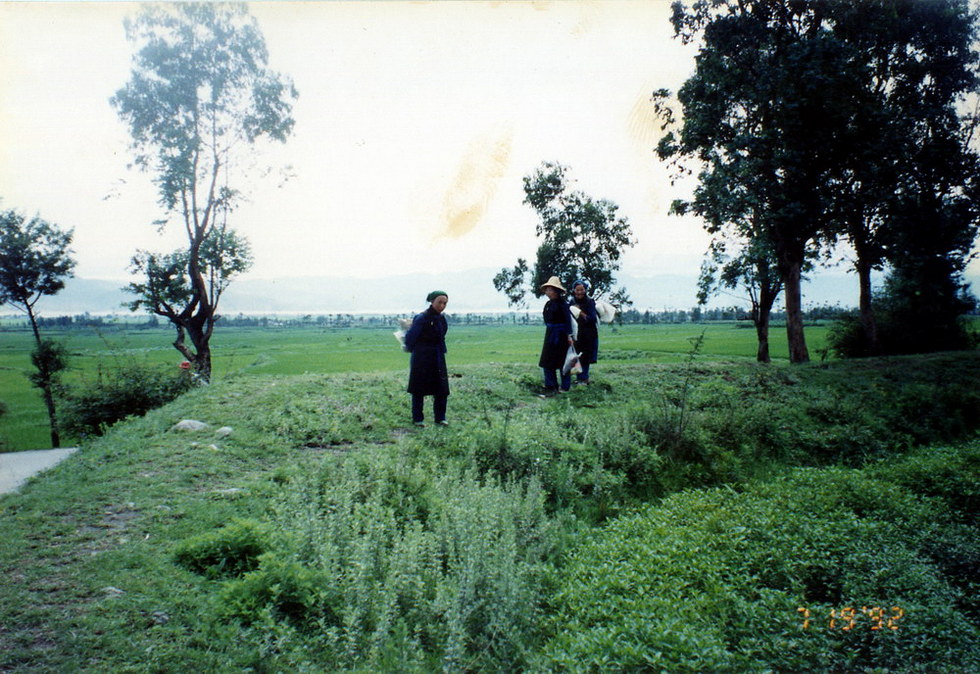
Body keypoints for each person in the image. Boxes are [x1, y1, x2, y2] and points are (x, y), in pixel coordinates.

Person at [404, 291, 450, 426]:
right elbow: (411, 337)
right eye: (439, 302)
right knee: (419, 388)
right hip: (421, 357)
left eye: (445, 303)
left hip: (437, 356)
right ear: (432, 302)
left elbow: (443, 334)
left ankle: (440, 418)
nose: (442, 305)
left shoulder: (442, 319)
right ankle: (418, 419)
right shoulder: (421, 318)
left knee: (441, 389)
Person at [537, 276, 575, 397]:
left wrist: (569, 336)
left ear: (556, 291)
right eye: (547, 289)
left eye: (550, 289)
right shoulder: (548, 304)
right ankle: (551, 385)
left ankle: (565, 386)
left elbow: (568, 321)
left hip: (562, 335)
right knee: (547, 361)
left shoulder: (563, 304)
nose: (547, 292)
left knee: (563, 362)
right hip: (550, 335)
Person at [569, 279, 599, 385]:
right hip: (577, 333)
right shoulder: (572, 301)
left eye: (582, 290)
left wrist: (580, 312)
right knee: (577, 356)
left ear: (585, 290)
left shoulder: (590, 302)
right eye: (577, 290)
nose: (579, 292)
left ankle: (584, 378)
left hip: (588, 334)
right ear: (574, 290)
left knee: (585, 357)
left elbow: (592, 319)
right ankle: (579, 377)